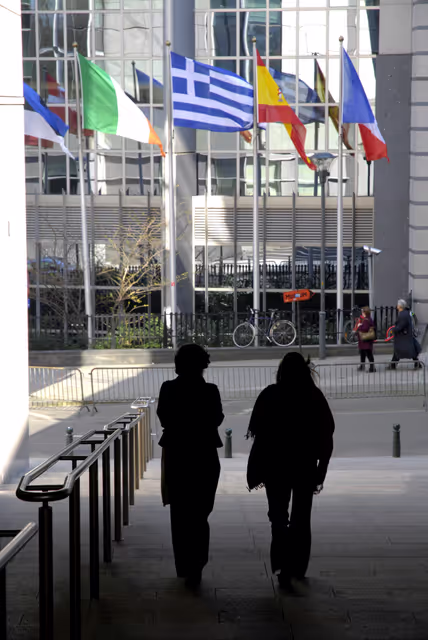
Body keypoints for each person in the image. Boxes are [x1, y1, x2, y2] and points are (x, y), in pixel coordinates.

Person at [246, 352, 335, 588]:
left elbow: (256, 430)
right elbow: (326, 434)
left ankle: (281, 562)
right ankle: (297, 565)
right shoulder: (314, 396)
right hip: (304, 465)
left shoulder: (270, 394)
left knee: (278, 516)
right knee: (301, 518)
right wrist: (322, 467)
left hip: (275, 466)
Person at [157, 344, 224, 589]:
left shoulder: (168, 388)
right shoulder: (211, 391)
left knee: (180, 512)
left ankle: (183, 565)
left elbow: (164, 416)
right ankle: (197, 562)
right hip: (204, 453)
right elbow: (216, 418)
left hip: (177, 453)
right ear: (203, 364)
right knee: (200, 512)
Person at [388, 299, 422, 369]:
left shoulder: (403, 314)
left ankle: (393, 365)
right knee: (404, 351)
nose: (397, 306)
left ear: (400, 306)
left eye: (398, 304)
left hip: (403, 337)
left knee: (403, 350)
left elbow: (401, 325)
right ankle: (393, 365)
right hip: (405, 336)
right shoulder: (405, 313)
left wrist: (394, 329)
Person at [356, 306, 376, 373]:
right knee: (362, 353)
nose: (361, 313)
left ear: (365, 312)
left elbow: (365, 329)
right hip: (364, 341)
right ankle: (362, 366)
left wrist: (359, 326)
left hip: (365, 341)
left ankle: (372, 368)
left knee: (368, 353)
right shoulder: (368, 319)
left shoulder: (366, 320)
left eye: (362, 311)